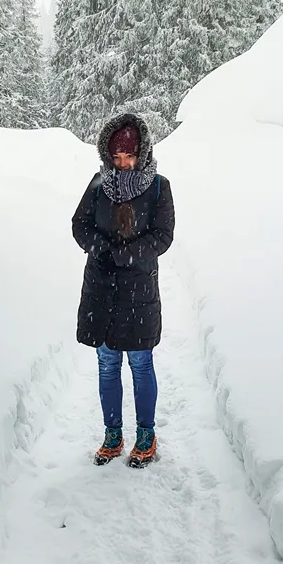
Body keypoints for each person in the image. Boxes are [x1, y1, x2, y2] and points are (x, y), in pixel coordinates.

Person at [72, 112, 175, 467]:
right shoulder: (98, 183)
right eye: (116, 157)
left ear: (142, 153)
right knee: (107, 364)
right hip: (100, 288)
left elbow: (163, 236)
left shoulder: (159, 186)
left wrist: (127, 254)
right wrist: (100, 248)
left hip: (138, 290)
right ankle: (112, 434)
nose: (123, 164)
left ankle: (145, 435)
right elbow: (79, 225)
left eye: (129, 156)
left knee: (141, 363)